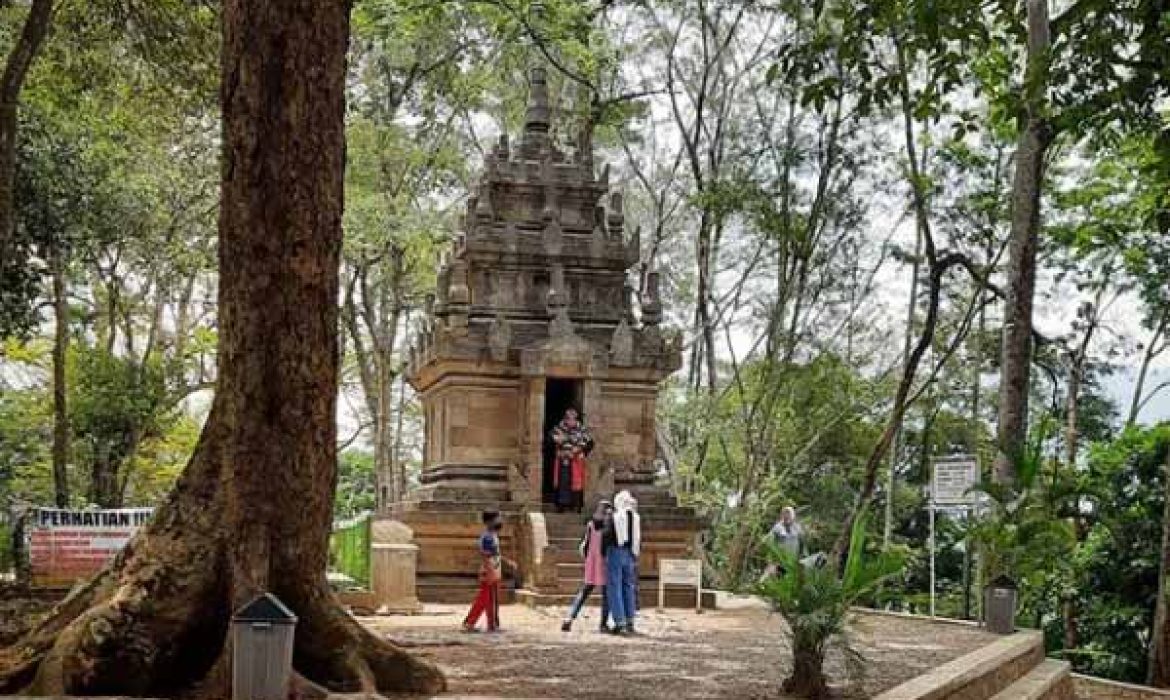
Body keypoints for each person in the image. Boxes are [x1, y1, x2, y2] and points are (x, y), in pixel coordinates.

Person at [561, 499, 613, 633]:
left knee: (584, 592)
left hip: (591, 561)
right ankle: (603, 624)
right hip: (603, 562)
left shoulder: (591, 524)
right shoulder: (608, 526)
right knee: (606, 595)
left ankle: (569, 618)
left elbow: (587, 543)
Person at [463, 510, 513, 633]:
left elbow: (495, 553)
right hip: (490, 569)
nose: (500, 521)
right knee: (489, 598)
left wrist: (507, 561)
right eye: (498, 518)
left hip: (493, 568)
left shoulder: (492, 535)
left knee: (486, 598)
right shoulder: (487, 537)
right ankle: (488, 624)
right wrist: (490, 571)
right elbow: (485, 555)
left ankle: (477, 622)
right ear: (490, 521)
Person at [604, 490, 641, 635]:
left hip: (616, 551)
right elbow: (637, 538)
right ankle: (630, 620)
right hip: (630, 553)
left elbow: (607, 535)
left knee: (615, 587)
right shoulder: (636, 517)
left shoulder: (615, 517)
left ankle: (620, 622)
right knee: (628, 587)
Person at [550, 408, 595, 513]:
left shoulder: (582, 430)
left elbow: (590, 443)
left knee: (576, 484)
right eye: (568, 418)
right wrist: (558, 444)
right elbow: (551, 440)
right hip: (563, 460)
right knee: (563, 483)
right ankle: (561, 506)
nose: (570, 421)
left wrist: (580, 451)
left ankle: (576, 506)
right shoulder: (559, 428)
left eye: (572, 419)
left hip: (576, 461)